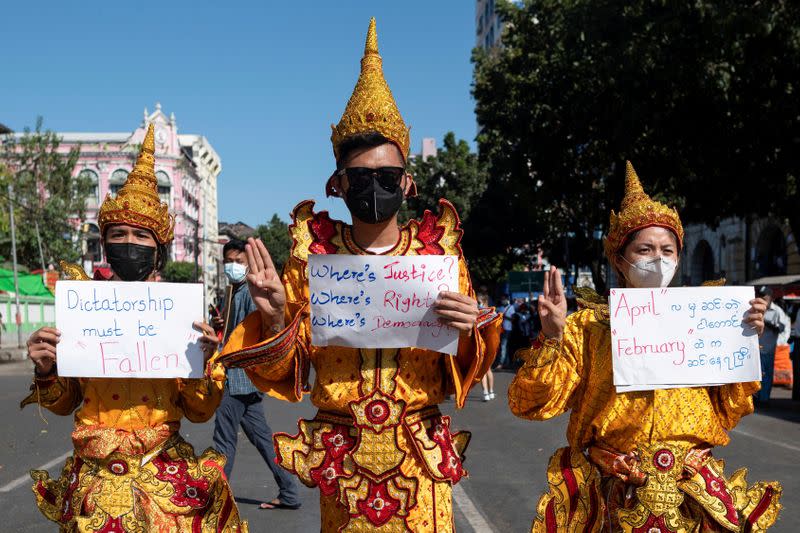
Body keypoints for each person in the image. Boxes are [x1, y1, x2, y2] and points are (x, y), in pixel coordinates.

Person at [218, 18, 501, 532]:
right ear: (338, 183)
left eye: (388, 176)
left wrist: (469, 329)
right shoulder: (312, 260)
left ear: (408, 182)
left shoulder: (438, 255)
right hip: (343, 459)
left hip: (417, 457)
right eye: (362, 177)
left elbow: (465, 365)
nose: (376, 186)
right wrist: (279, 314)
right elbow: (293, 372)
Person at [508, 162, 782, 531]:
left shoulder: (707, 319)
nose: (659, 259)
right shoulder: (588, 328)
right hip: (614, 496)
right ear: (619, 259)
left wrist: (745, 337)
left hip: (693, 495)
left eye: (668, 249)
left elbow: (731, 408)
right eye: (645, 249)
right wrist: (553, 336)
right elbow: (530, 403)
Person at [22, 124, 247, 532]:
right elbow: (64, 402)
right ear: (105, 243)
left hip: (162, 474)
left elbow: (199, 412)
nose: (130, 243)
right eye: (119, 234)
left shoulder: (180, 317)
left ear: (158, 250)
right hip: (93, 476)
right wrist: (45, 369)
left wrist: (206, 359)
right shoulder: (83, 309)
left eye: (142, 235)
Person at [211, 238, 300, 510]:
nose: (233, 266)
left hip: (237, 378)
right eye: (229, 261)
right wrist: (222, 324)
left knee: (223, 440)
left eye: (239, 261)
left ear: (250, 262)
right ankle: (290, 492)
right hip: (247, 381)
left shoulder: (248, 293)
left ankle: (216, 501)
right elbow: (237, 329)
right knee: (263, 439)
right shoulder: (236, 291)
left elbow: (252, 334)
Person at [755, 287, 788, 406]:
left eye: (764, 298)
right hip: (756, 349)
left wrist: (771, 325)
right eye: (760, 297)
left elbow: (784, 328)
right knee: (756, 374)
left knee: (767, 374)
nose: (762, 301)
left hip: (768, 348)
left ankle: (764, 398)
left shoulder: (777, 311)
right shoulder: (756, 309)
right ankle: (757, 397)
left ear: (770, 298)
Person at [477, 293, 495, 401]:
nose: (477, 305)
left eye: (478, 302)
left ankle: (486, 392)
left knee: (483, 370)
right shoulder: (493, 313)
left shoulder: (480, 314)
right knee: (488, 369)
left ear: (484, 302)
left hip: (483, 344)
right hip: (491, 345)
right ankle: (490, 391)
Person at [495, 294, 515, 369]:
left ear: (507, 299)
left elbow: (513, 319)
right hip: (500, 329)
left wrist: (504, 316)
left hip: (507, 329)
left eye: (504, 299)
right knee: (502, 346)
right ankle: (506, 362)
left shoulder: (511, 307)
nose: (502, 300)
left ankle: (501, 363)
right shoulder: (500, 308)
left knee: (503, 346)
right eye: (502, 299)